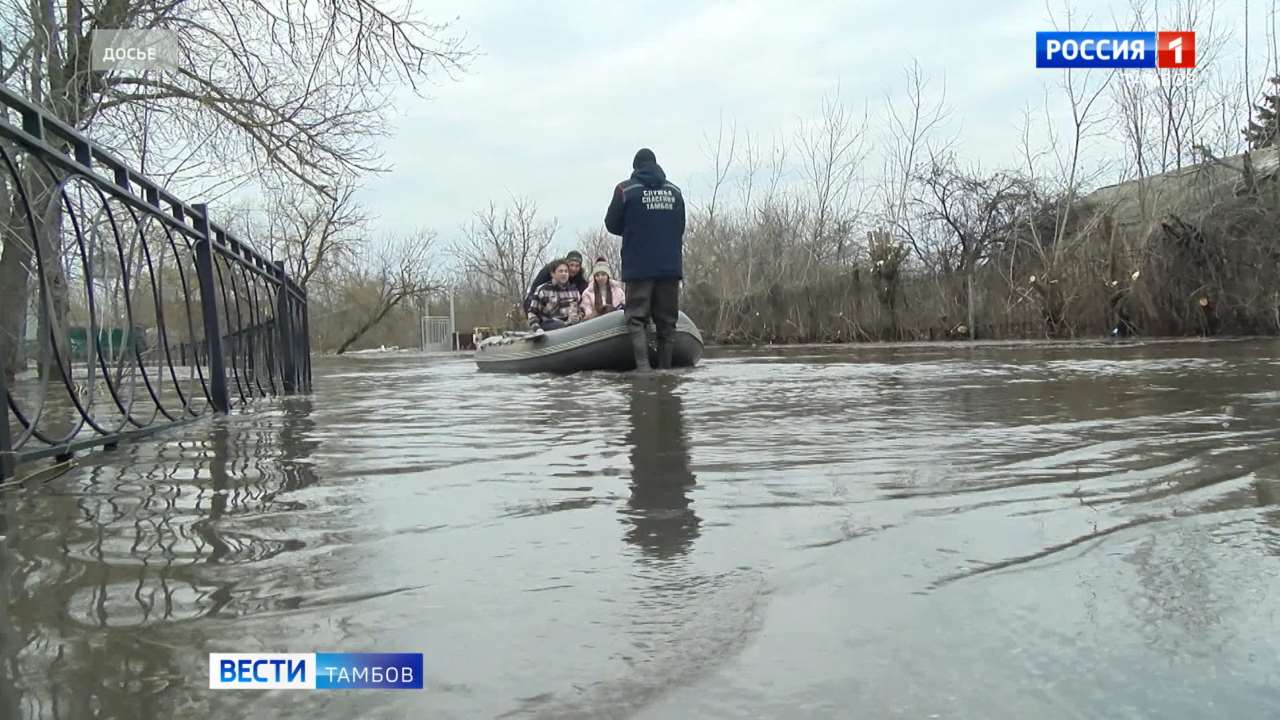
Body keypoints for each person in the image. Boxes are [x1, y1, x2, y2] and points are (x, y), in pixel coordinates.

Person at [604, 147, 686, 372]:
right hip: (669, 267)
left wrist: (633, 230)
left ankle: (643, 370)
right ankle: (666, 371)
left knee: (636, 318)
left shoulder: (625, 190)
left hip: (639, 266)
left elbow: (611, 224)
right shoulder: (675, 192)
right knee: (667, 322)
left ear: (635, 167)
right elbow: (680, 226)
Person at [526, 259, 583, 331]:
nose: (564, 274)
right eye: (560, 271)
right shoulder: (543, 290)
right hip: (550, 328)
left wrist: (578, 317)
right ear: (553, 274)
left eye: (566, 271)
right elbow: (532, 312)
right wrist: (537, 328)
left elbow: (581, 310)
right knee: (558, 325)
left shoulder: (574, 291)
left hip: (572, 328)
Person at [522, 250, 588, 313]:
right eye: (571, 265)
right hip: (545, 309)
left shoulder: (579, 278)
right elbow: (533, 292)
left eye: (577, 266)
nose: (573, 269)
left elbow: (585, 294)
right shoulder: (548, 272)